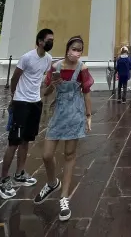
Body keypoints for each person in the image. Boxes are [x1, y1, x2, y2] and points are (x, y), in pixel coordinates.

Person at [33, 36, 93, 221]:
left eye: (80, 50)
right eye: (74, 49)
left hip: (75, 114)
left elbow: (86, 92)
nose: (77, 52)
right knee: (47, 155)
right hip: (58, 113)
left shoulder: (82, 68)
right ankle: (52, 183)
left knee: (69, 155)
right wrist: (52, 85)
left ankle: (64, 197)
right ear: (67, 48)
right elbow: (46, 91)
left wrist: (89, 116)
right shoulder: (55, 67)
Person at [0, 28, 54, 200]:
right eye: (49, 39)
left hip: (35, 102)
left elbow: (43, 80)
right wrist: (14, 97)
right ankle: (2, 180)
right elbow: (15, 78)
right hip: (21, 102)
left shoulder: (48, 59)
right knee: (13, 142)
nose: (51, 42)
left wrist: (47, 90)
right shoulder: (27, 57)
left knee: (26, 140)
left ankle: (19, 173)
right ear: (40, 41)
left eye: (52, 39)